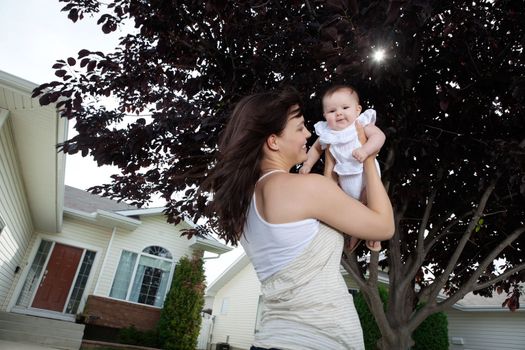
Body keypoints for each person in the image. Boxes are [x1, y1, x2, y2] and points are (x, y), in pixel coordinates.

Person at [202, 87, 394, 350]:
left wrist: (329, 170)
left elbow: (326, 242)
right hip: (315, 342)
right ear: (273, 141)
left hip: (274, 339)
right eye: (300, 127)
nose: (308, 134)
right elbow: (384, 226)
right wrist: (369, 157)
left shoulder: (248, 203)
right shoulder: (303, 188)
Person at [300, 85, 386, 252]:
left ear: (357, 110)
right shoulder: (327, 134)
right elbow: (316, 149)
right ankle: (352, 235)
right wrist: (307, 164)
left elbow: (379, 136)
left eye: (345, 108)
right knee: (348, 209)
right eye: (332, 111)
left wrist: (365, 150)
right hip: (344, 179)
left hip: (365, 176)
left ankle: (374, 235)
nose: (339, 113)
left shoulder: (361, 124)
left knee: (371, 204)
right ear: (325, 115)